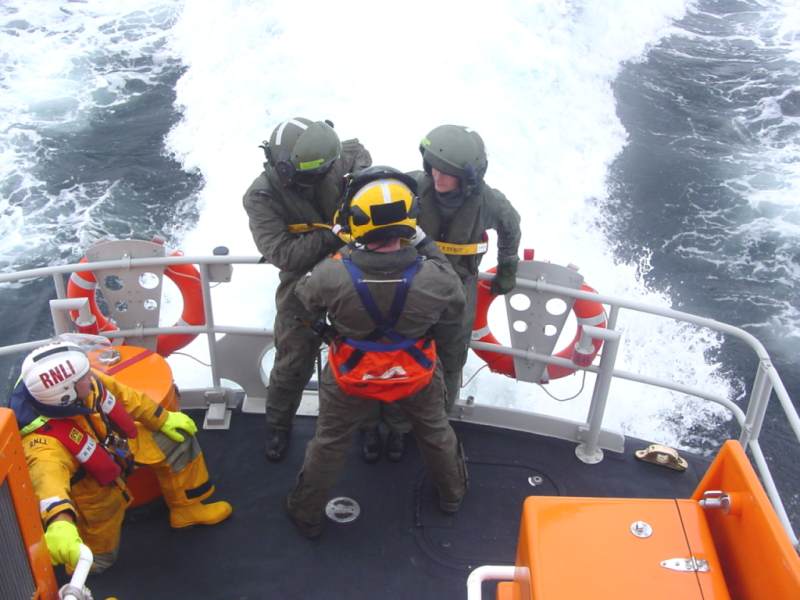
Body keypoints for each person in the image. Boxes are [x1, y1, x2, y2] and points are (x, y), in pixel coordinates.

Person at [285, 166, 468, 538]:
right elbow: (455, 305)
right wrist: (425, 243)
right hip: (415, 374)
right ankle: (452, 496)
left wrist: (326, 329)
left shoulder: (331, 275)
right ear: (410, 221)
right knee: (436, 432)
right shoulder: (433, 277)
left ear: (357, 221)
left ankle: (305, 512)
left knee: (329, 442)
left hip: (351, 375)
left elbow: (301, 301)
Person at [8, 341, 232, 573]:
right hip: (94, 492)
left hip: (115, 444)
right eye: (83, 377)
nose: (91, 375)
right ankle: (84, 581)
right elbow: (48, 483)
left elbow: (126, 397)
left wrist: (162, 418)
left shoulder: (85, 383)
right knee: (97, 559)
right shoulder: (42, 444)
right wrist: (60, 523)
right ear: (66, 394)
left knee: (177, 440)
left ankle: (186, 509)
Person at [243, 117, 372, 462]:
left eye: (319, 174)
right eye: (304, 176)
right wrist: (335, 233)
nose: (312, 181)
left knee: (367, 352)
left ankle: (371, 425)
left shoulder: (338, 158)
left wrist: (360, 186)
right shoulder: (261, 196)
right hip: (302, 281)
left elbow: (362, 156)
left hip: (352, 272)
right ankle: (278, 427)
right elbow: (284, 254)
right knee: (292, 360)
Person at [412, 124, 521, 411]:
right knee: (405, 350)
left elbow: (511, 226)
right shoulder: (412, 186)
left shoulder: (489, 203)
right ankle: (400, 422)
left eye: (447, 171)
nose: (437, 176)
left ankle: (440, 418)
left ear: (467, 177)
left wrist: (507, 266)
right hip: (413, 283)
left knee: (450, 358)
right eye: (434, 167)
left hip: (459, 289)